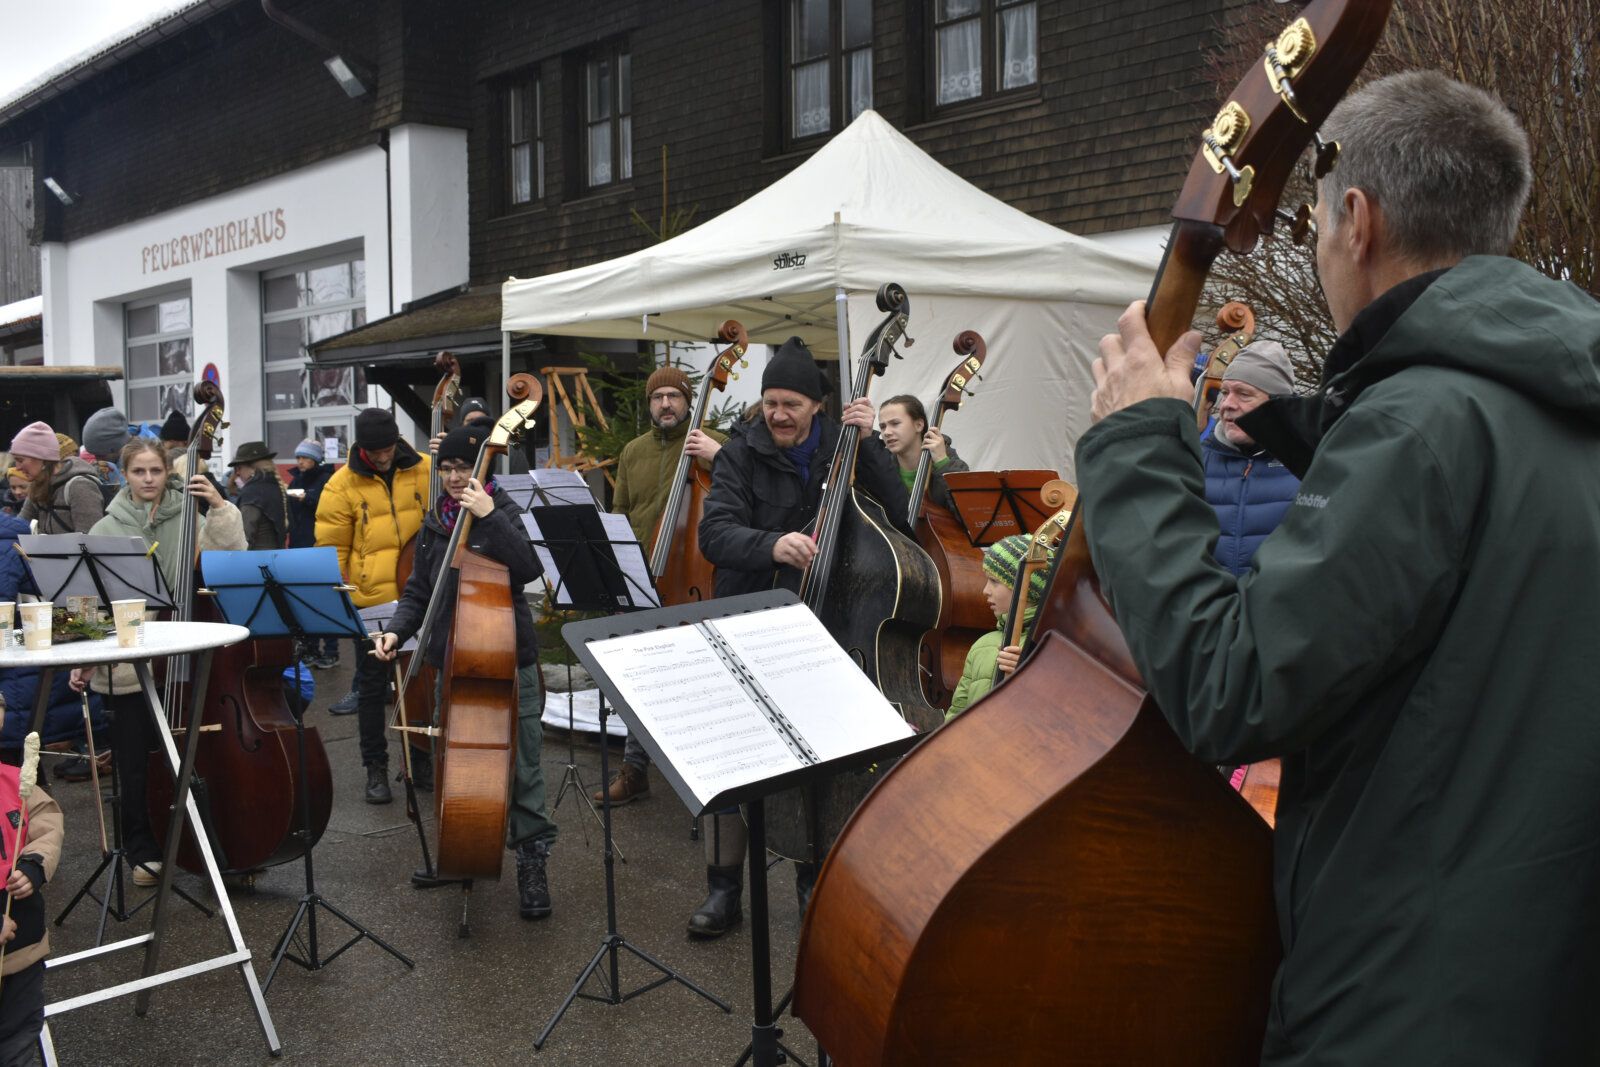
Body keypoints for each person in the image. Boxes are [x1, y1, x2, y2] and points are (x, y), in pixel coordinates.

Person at [1080, 71, 1600, 1062]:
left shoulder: (1418, 427)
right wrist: (1303, 425)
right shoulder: (1555, 398)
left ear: (1356, 220)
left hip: (1407, 1004)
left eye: (1314, 224)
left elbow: (1232, 685)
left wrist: (1140, 443)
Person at [691, 336, 910, 938]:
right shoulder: (740, 453)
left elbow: (902, 515)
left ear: (817, 405)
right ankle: (723, 889)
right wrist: (772, 544)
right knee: (733, 759)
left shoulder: (845, 444)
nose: (779, 415)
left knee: (821, 758)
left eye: (791, 404)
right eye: (771, 403)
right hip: (750, 617)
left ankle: (815, 879)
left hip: (826, 624)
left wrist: (869, 445)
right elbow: (715, 534)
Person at [372, 424, 556, 919]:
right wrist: (396, 632)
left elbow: (528, 568)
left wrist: (489, 515)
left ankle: (532, 861)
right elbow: (418, 590)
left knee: (524, 770)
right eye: (448, 469)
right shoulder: (436, 521)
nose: (455, 477)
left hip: (507, 662)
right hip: (452, 662)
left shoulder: (504, 511)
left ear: (483, 468)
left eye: (463, 468)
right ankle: (459, 850)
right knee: (454, 764)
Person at [73, 438, 245, 887]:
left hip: (187, 659)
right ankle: (143, 849)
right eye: (139, 471)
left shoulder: (191, 516)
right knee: (134, 763)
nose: (148, 479)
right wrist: (84, 653)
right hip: (131, 663)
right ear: (124, 475)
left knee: (201, 758)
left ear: (169, 472)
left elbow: (230, 560)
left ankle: (215, 845)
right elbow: (90, 601)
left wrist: (219, 507)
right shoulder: (106, 528)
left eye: (156, 470)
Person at [591, 365, 727, 807]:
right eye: (657, 397)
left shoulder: (710, 444)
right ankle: (635, 771)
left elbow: (741, 487)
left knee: (699, 680)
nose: (665, 404)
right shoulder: (633, 451)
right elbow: (620, 513)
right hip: (643, 578)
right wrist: (621, 574)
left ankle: (709, 773)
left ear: (688, 401)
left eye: (674, 396)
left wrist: (718, 456)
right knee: (639, 679)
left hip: (693, 579)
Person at [314, 408, 430, 803]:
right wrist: (343, 600)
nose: (382, 458)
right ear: (361, 448)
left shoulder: (425, 468)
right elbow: (332, 549)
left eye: (387, 450)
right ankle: (375, 767)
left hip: (420, 594)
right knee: (371, 688)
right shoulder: (340, 485)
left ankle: (420, 758)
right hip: (371, 600)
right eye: (374, 452)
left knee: (419, 683)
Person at [1199, 341, 1301, 577]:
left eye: (1244, 394)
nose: (1227, 404)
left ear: (1277, 403)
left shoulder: (1310, 464)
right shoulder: (1197, 461)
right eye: (1225, 392)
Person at [943, 534, 1048, 719]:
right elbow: (957, 714)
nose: (985, 590)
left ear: (1027, 588)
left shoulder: (1049, 645)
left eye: (994, 581)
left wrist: (1030, 677)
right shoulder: (982, 645)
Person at [0, 774, 64, 1065]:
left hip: (23, 950)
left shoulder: (14, 780)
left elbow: (47, 822)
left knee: (18, 1039)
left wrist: (34, 864)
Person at [288, 440, 339, 669]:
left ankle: (331, 651)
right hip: (299, 547)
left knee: (326, 600)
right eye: (298, 457)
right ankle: (310, 649)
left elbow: (330, 508)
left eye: (305, 458)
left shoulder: (327, 479)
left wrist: (307, 498)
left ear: (316, 459)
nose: (300, 462)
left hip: (320, 547)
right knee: (304, 601)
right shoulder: (295, 480)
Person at [876, 394, 969, 517]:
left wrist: (942, 462)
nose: (886, 432)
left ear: (919, 425)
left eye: (895, 423)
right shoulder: (881, 470)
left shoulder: (950, 463)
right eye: (882, 427)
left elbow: (969, 515)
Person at [9, 421, 104, 534]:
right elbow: (18, 529)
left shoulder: (79, 486)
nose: (17, 467)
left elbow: (90, 539)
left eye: (20, 460)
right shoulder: (38, 484)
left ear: (42, 458)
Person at [226, 442, 289, 551]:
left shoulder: (252, 492)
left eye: (238, 468)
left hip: (256, 557)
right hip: (277, 556)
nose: (237, 473)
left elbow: (245, 535)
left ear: (253, 468)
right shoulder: (276, 487)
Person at [80, 406, 131, 496]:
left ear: (113, 447)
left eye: (100, 454)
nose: (97, 459)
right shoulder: (116, 465)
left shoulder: (139, 464)